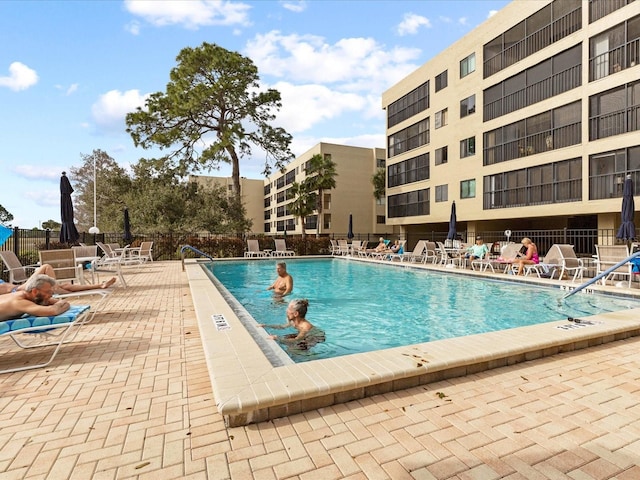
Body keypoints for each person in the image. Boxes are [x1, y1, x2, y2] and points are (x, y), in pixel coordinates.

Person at [0, 263, 116, 296]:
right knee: (46, 266)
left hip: (19, 287)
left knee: (65, 286)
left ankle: (100, 285)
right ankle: (55, 289)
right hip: (20, 290)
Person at [258, 298, 325, 350]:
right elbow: (281, 326)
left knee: (295, 348)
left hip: (316, 336)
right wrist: (266, 325)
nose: (286, 312)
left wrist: (278, 338)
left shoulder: (305, 327)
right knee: (287, 338)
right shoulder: (293, 321)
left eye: (288, 311)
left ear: (296, 314)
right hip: (305, 334)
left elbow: (296, 340)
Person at [0, 274, 71, 321]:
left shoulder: (28, 296)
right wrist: (61, 304)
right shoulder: (19, 301)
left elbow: (58, 303)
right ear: (34, 291)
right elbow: (52, 311)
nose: (51, 295)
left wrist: (61, 303)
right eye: (48, 292)